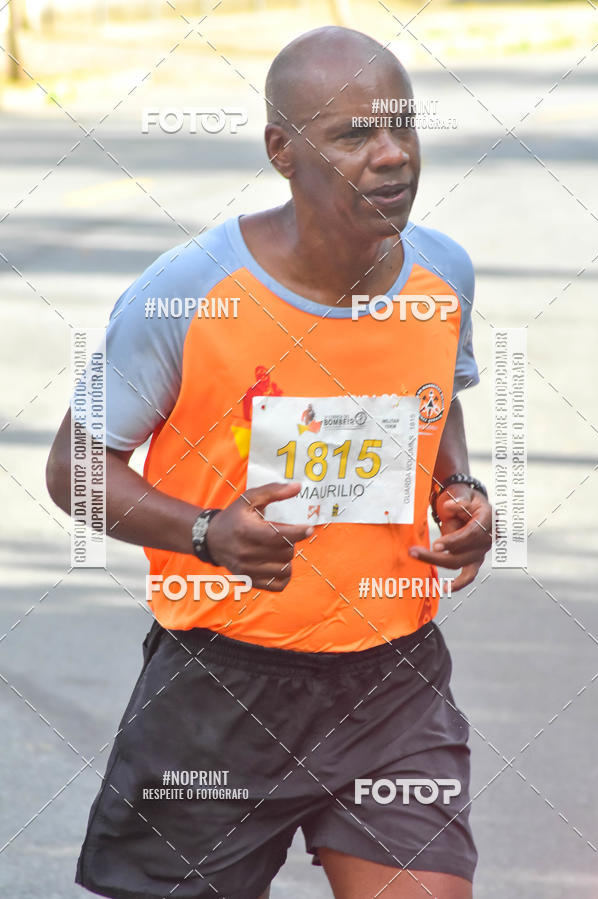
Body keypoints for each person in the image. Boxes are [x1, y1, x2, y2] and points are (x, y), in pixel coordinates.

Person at [46, 25, 492, 899]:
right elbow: (74, 467)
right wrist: (207, 531)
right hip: (220, 689)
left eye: (402, 126)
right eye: (353, 134)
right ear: (283, 151)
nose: (393, 154)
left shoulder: (442, 274)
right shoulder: (189, 293)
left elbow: (436, 399)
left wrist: (460, 493)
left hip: (390, 682)